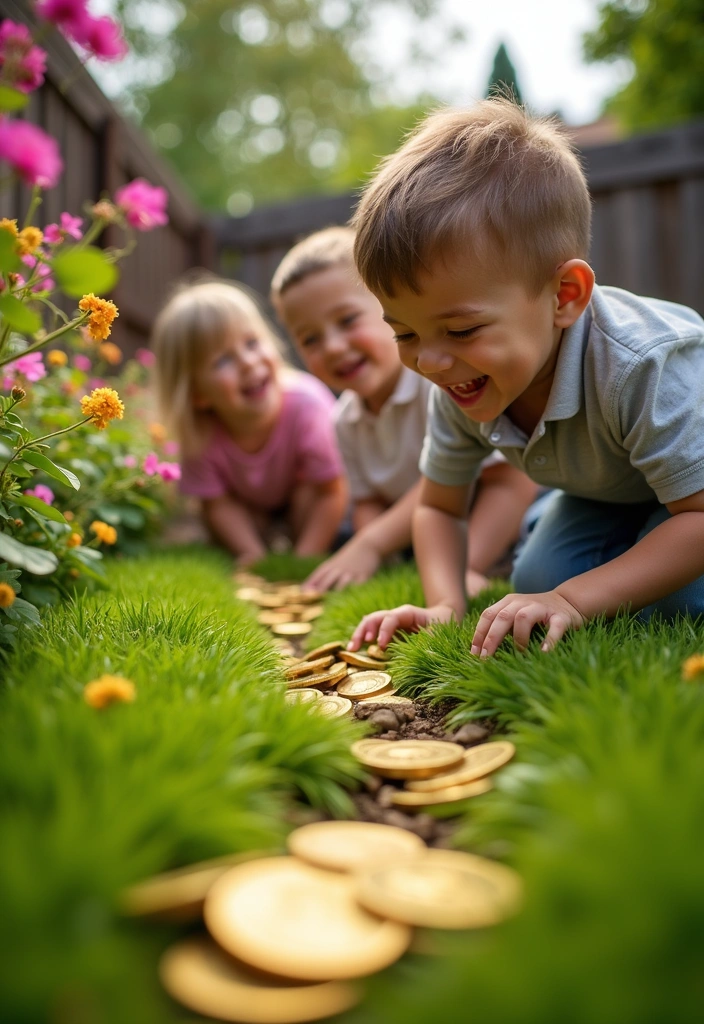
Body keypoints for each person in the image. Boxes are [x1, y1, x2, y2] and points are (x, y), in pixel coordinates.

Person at [346, 97, 704, 658]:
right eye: (405, 334)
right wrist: (445, 603)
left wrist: (577, 599)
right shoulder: (458, 381)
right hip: (611, 489)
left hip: (697, 495)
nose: (431, 363)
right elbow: (439, 506)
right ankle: (580, 526)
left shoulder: (641, 365)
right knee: (536, 579)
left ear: (564, 296)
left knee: (678, 599)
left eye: (461, 330)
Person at [271, 226, 539, 593]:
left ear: (394, 310)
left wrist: (462, 564)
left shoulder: (442, 383)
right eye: (310, 339)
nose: (332, 347)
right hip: (432, 542)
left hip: (504, 531)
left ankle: (473, 567)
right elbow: (369, 503)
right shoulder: (344, 421)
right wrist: (377, 558)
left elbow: (503, 480)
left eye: (347, 320)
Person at [152, 278, 347, 565]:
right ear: (197, 395)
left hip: (309, 498)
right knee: (222, 514)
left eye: (252, 343)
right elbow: (217, 505)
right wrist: (252, 555)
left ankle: (299, 544)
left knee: (309, 494)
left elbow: (332, 491)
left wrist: (306, 559)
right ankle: (258, 546)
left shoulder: (307, 404)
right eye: (222, 361)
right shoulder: (201, 434)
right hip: (251, 507)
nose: (248, 362)